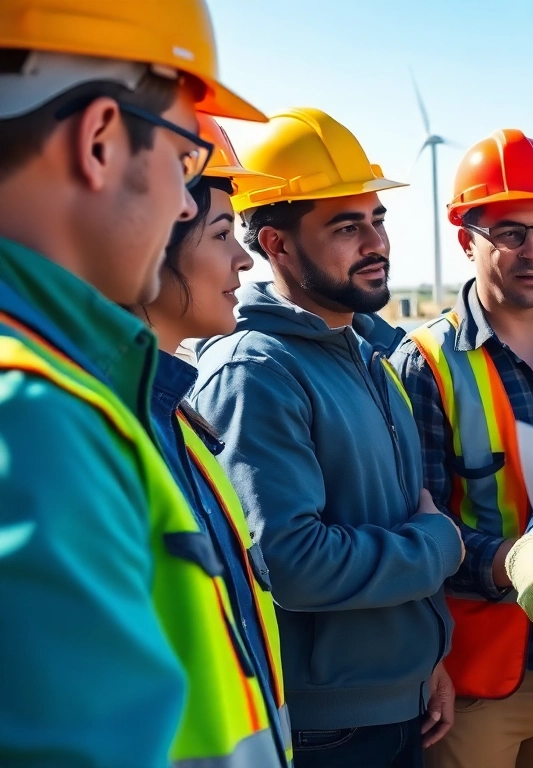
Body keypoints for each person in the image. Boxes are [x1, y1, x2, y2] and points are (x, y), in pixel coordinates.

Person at [0, 3, 279, 765]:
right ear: (98, 140)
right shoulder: (34, 421)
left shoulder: (82, 391)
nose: (188, 203)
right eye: (186, 161)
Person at [192, 107, 464, 768]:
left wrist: (423, 659)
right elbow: (292, 562)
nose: (375, 243)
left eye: (377, 220)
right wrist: (438, 546)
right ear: (276, 244)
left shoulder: (366, 351)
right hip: (330, 734)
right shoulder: (258, 373)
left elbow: (377, 513)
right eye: (347, 227)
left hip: (400, 704)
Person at [391, 128, 533, 768]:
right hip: (475, 688)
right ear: (467, 238)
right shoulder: (425, 365)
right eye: (509, 233)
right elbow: (415, 527)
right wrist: (514, 564)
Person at [132, 114, 291, 767]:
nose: (244, 257)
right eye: (223, 232)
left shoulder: (182, 422)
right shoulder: (109, 429)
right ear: (151, 234)